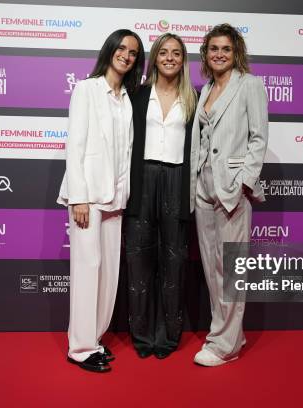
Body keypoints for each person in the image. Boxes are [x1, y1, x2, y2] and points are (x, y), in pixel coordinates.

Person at [56, 29, 144, 373]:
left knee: (108, 275)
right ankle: (79, 348)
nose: (126, 55)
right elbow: (75, 145)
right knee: (87, 271)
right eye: (121, 48)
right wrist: (78, 197)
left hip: (115, 199)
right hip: (88, 198)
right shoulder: (86, 89)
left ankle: (94, 340)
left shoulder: (127, 97)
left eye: (133, 52)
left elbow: (125, 151)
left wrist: (123, 196)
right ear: (109, 50)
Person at [189, 23, 269, 366]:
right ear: (206, 54)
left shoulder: (250, 85)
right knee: (212, 269)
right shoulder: (204, 89)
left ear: (236, 52)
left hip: (232, 189)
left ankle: (226, 346)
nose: (219, 54)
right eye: (213, 49)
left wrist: (245, 183)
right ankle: (227, 333)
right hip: (203, 189)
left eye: (225, 48)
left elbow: (258, 138)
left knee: (232, 269)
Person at [124, 33, 197, 359]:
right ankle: (141, 336)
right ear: (154, 58)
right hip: (142, 180)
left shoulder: (193, 98)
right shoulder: (137, 94)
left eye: (176, 53)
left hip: (177, 181)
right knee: (139, 262)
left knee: (174, 262)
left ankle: (168, 337)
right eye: (163, 52)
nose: (169, 58)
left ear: (184, 60)